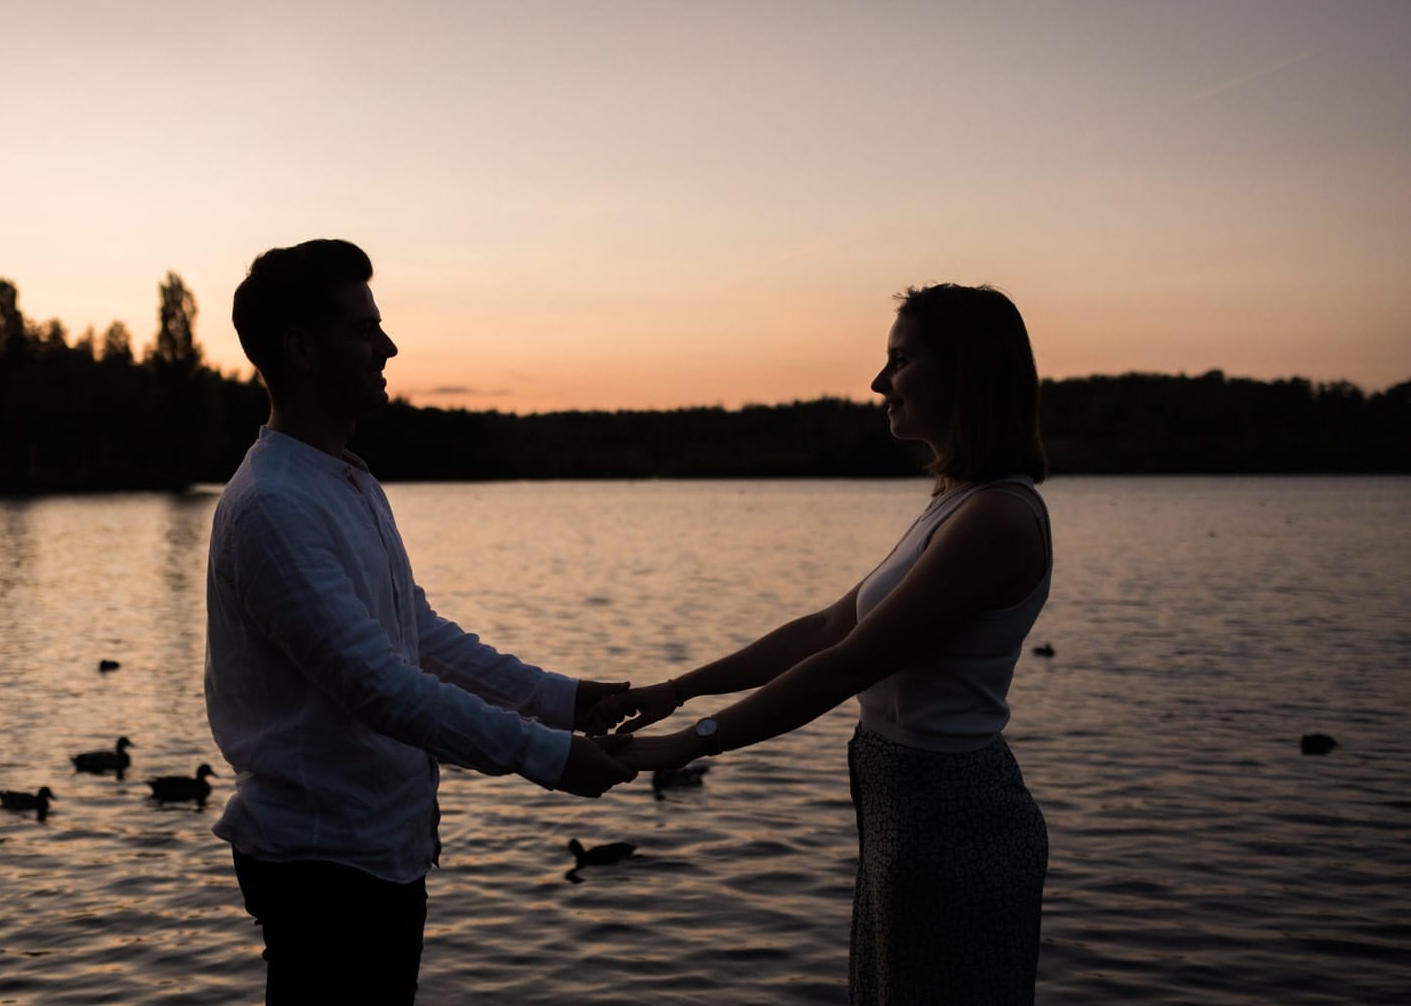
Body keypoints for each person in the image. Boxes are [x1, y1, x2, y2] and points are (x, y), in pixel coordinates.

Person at [589, 283, 1051, 1005]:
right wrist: (677, 689)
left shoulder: (996, 517)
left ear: (962, 370)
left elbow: (852, 663)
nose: (877, 382)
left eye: (899, 360)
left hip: (957, 825)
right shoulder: (955, 502)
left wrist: (692, 742)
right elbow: (829, 627)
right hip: (907, 815)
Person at [205, 238, 636, 1004]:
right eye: (364, 329)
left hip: (376, 853)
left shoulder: (344, 482)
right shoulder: (272, 504)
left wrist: (564, 700)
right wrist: (552, 756)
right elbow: (378, 687)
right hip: (324, 868)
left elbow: (417, 638)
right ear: (302, 349)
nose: (389, 346)